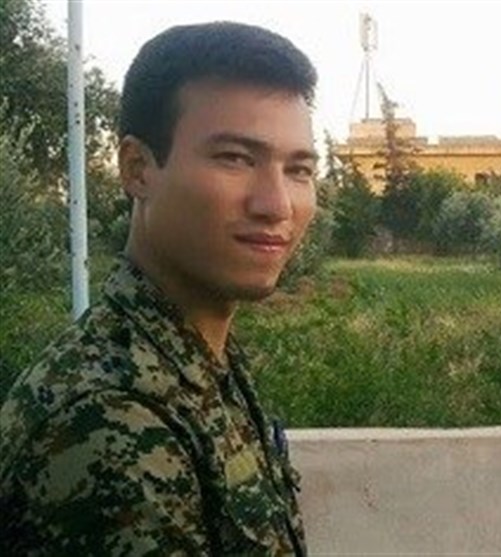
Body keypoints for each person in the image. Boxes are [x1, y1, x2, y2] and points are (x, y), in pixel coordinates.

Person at [0, 21, 317, 555]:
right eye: (235, 159)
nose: (277, 204)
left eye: (299, 169)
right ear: (137, 169)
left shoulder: (195, 362)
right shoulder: (107, 421)